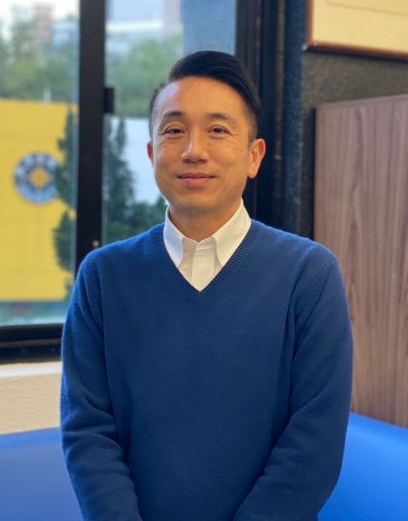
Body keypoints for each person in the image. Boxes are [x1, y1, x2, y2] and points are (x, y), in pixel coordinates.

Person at [60, 50, 353, 521]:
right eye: (174, 130)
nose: (194, 150)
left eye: (218, 130)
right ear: (152, 154)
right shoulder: (103, 276)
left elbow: (314, 444)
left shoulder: (309, 274)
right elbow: (88, 433)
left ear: (254, 155)